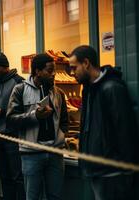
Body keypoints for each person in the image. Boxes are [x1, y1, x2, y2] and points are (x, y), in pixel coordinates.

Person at [69, 45, 139, 200]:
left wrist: (127, 173)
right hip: (97, 170)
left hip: (112, 174)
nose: (72, 73)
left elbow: (125, 132)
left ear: (86, 63)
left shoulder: (111, 88)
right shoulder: (88, 89)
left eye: (74, 68)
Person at [7, 53, 69, 200]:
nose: (53, 74)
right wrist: (35, 116)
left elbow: (64, 120)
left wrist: (61, 135)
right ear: (37, 71)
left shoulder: (58, 93)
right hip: (31, 154)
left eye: (54, 70)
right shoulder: (20, 90)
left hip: (55, 153)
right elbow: (10, 120)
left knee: (55, 196)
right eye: (49, 70)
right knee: (32, 196)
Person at [0, 53, 25, 200]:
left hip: (14, 137)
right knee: (4, 177)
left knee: (17, 177)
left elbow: (25, 110)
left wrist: (1, 112)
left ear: (5, 67)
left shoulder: (19, 82)